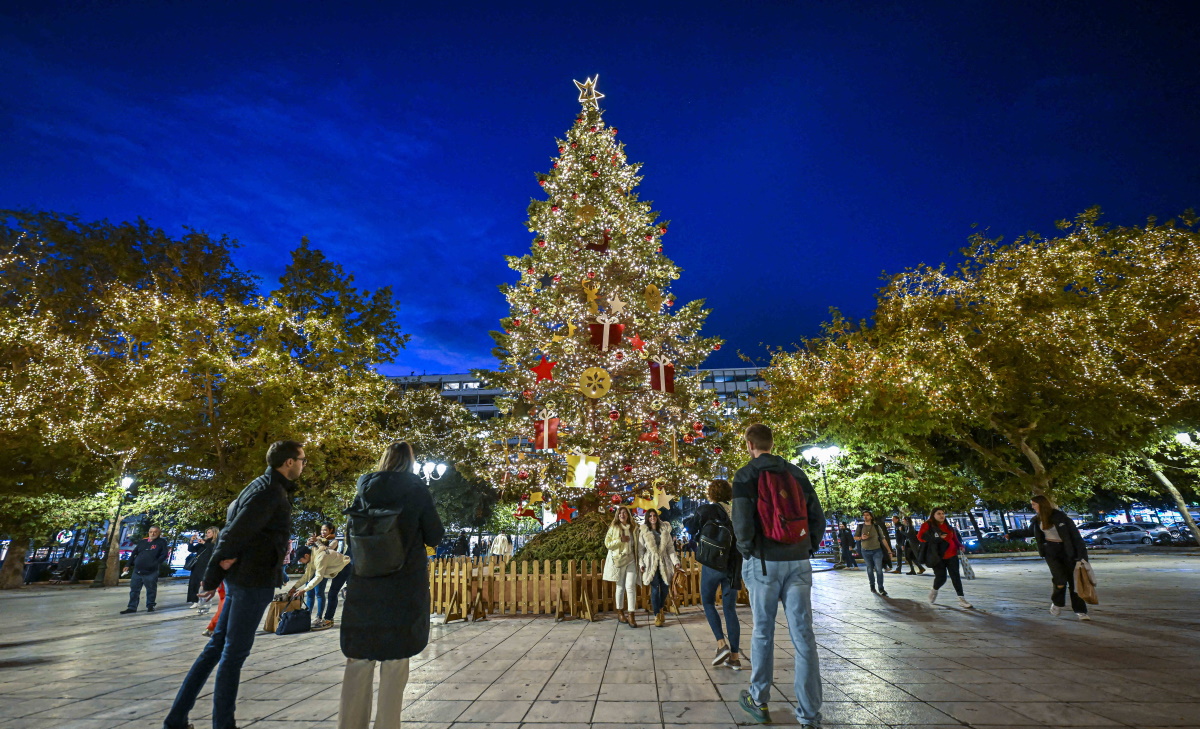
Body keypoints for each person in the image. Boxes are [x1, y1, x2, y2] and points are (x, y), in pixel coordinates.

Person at [162, 440, 305, 729]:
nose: (304, 465)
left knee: (216, 647)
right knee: (233, 654)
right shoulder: (270, 492)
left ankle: (177, 718)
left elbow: (236, 527)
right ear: (289, 462)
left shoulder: (260, 486)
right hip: (253, 580)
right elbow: (233, 533)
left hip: (245, 577)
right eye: (303, 459)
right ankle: (222, 724)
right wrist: (213, 575)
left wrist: (221, 570)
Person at [339, 442, 444, 729]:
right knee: (396, 659)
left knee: (359, 659)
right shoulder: (416, 489)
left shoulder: (364, 491)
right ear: (409, 462)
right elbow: (434, 534)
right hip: (401, 584)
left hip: (365, 584)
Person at [732, 424, 825, 728]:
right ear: (772, 443)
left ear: (749, 444)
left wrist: (748, 551)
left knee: (763, 632)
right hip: (798, 560)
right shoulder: (796, 473)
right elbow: (817, 516)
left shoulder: (746, 475)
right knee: (804, 636)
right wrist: (806, 547)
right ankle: (809, 714)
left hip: (763, 562)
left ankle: (759, 700)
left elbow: (742, 522)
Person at [1009, 495, 1090, 620]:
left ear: (1042, 504)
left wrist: (1082, 556)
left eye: (1034, 504)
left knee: (1074, 582)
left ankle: (1080, 611)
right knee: (1060, 580)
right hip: (1051, 551)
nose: (1032, 507)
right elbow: (1030, 532)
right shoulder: (1037, 520)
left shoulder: (1060, 517)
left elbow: (1075, 537)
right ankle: (1057, 603)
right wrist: (1012, 534)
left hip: (1067, 551)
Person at [695, 479, 743, 670]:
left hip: (714, 563)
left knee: (707, 601)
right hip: (733, 567)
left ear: (712, 493)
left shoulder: (709, 509)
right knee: (730, 609)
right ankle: (735, 657)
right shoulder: (737, 511)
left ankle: (721, 644)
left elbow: (691, 526)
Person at [916, 508, 972, 608]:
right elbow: (920, 537)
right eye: (939, 514)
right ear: (933, 515)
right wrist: (937, 538)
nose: (941, 515)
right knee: (941, 578)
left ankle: (961, 599)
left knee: (956, 577)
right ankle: (934, 590)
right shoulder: (927, 525)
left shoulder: (949, 527)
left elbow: (954, 539)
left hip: (952, 555)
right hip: (937, 556)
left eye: (943, 513)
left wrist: (960, 546)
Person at [639, 508, 679, 627]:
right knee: (655, 589)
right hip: (651, 563)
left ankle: (660, 608)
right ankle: (657, 615)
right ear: (647, 518)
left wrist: (676, 562)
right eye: (650, 516)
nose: (652, 518)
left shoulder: (664, 530)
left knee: (666, 587)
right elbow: (640, 550)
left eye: (654, 515)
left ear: (657, 517)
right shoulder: (643, 532)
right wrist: (641, 564)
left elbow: (670, 549)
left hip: (664, 561)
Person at [602, 506, 640, 628]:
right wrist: (620, 540)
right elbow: (608, 544)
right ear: (617, 516)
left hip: (631, 560)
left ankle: (631, 614)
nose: (622, 515)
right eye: (620, 513)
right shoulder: (614, 528)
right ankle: (620, 612)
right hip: (619, 560)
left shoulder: (634, 528)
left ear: (628, 515)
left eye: (624, 513)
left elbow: (639, 544)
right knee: (620, 587)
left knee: (630, 587)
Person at [121, 526, 170, 614]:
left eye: (155, 532)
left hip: (151, 571)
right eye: (151, 532)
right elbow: (134, 553)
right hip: (137, 570)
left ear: (159, 533)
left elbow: (164, 554)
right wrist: (128, 565)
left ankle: (150, 605)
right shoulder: (143, 542)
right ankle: (132, 607)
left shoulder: (161, 542)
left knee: (151, 589)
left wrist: (155, 563)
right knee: (134, 590)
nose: (153, 533)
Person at [301, 522, 340, 626]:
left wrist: (316, 541)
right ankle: (307, 615)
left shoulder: (334, 541)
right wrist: (308, 543)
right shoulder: (317, 539)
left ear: (331, 530)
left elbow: (327, 550)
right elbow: (308, 552)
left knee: (319, 593)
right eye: (322, 530)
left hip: (322, 570)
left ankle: (319, 616)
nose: (323, 532)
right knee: (309, 594)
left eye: (325, 530)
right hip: (311, 569)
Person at [854, 510, 893, 596]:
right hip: (865, 551)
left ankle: (881, 588)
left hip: (877, 550)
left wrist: (889, 551)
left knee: (879, 570)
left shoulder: (876, 526)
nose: (865, 517)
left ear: (871, 517)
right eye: (864, 515)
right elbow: (855, 537)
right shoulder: (860, 526)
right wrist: (861, 537)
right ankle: (872, 586)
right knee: (870, 569)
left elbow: (883, 539)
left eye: (867, 515)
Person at [323, 530, 352, 624]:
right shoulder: (340, 539)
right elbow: (330, 547)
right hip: (342, 568)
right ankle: (328, 618)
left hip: (354, 568)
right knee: (332, 593)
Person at [186, 527, 220, 608]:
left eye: (209, 532)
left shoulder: (215, 543)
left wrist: (204, 543)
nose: (207, 534)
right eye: (207, 532)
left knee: (203, 584)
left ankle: (203, 601)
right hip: (197, 565)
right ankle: (194, 600)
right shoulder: (203, 542)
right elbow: (191, 549)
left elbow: (213, 550)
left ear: (214, 533)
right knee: (194, 582)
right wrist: (191, 541)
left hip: (207, 566)